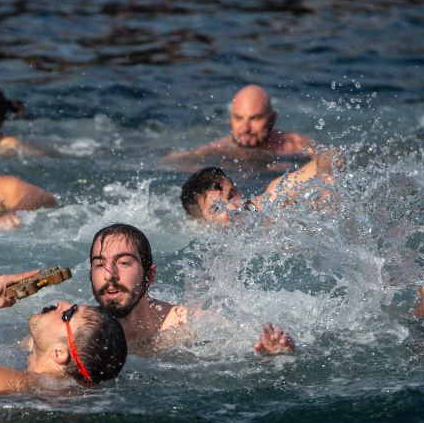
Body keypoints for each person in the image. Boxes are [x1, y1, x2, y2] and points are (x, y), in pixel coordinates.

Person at [88, 223, 295, 355]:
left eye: (124, 263)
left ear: (150, 276)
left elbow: (248, 343)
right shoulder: (83, 333)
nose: (109, 275)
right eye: (99, 264)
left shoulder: (188, 325)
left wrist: (273, 353)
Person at [166, 84, 316, 168]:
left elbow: (331, 161)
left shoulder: (295, 145)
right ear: (231, 118)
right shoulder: (220, 149)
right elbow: (175, 160)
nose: (245, 129)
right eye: (238, 118)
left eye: (254, 118)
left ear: (272, 118)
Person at [180, 155, 334, 224]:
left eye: (231, 195)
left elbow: (330, 156)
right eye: (216, 208)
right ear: (201, 221)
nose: (233, 207)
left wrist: (327, 182)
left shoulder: (272, 201)